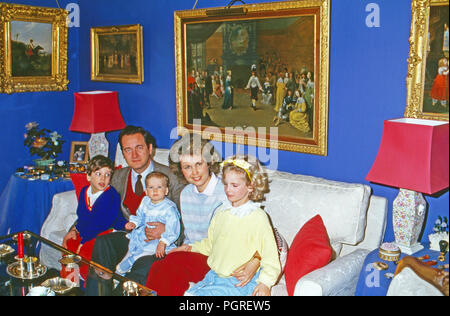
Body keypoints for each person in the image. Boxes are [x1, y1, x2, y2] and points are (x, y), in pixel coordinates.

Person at [146, 135, 262, 296]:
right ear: (180, 169)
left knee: (172, 264)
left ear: (209, 162)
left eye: (199, 164)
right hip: (194, 252)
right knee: (156, 266)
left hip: (219, 260)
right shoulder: (186, 194)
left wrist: (255, 261)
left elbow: (262, 232)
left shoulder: (228, 191)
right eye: (187, 167)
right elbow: (189, 236)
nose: (194, 172)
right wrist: (182, 248)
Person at [84, 126, 185, 295]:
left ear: (150, 149)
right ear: (123, 154)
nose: (134, 155)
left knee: (142, 266)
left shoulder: (171, 177)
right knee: (103, 242)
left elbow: (186, 217)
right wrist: (75, 228)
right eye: (128, 150)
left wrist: (167, 230)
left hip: (160, 245)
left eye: (139, 148)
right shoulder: (117, 176)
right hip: (133, 237)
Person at [177, 155, 281, 296]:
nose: (228, 190)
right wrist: (190, 247)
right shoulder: (221, 211)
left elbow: (270, 255)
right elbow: (211, 244)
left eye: (235, 185)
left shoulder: (258, 217)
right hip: (214, 275)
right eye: (226, 184)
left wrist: (265, 283)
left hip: (238, 282)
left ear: (251, 186)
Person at [62, 155, 126, 281]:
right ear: (88, 176)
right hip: (87, 230)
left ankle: (90, 284)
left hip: (105, 231)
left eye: (107, 174)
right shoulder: (84, 192)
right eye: (98, 174)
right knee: (68, 246)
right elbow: (81, 215)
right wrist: (75, 230)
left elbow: (103, 223)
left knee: (86, 253)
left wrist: (83, 242)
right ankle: (70, 281)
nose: (103, 178)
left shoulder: (112, 196)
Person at [116, 172, 180, 276]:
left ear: (166, 190)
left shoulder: (169, 208)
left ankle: (132, 261)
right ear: (146, 191)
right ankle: (119, 275)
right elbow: (140, 216)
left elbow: (173, 229)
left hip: (158, 241)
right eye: (151, 187)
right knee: (132, 248)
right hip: (143, 235)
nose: (155, 190)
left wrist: (163, 242)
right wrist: (134, 223)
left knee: (146, 252)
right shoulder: (145, 201)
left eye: (159, 187)